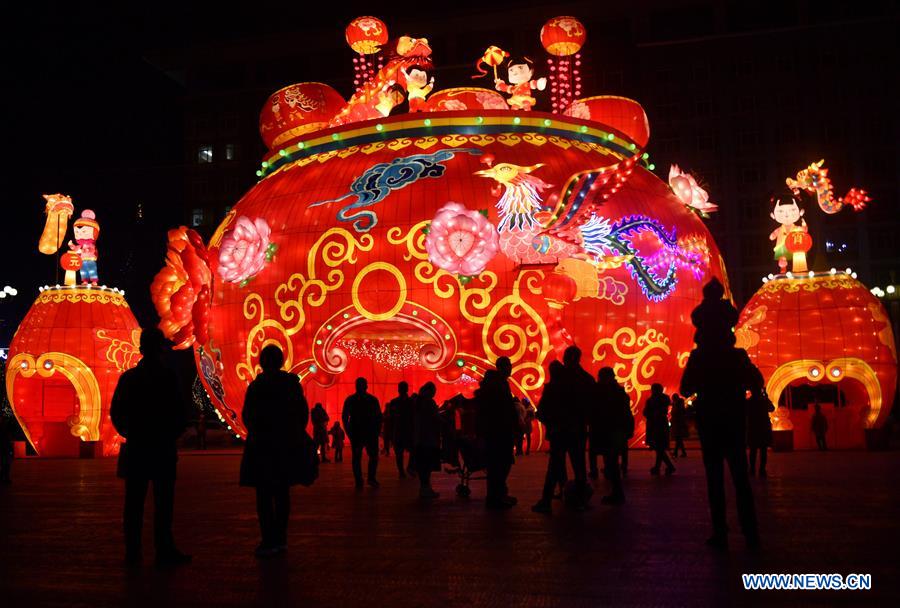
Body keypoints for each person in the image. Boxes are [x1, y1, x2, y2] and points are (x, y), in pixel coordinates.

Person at [681, 279, 763, 550]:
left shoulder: (699, 357)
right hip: (734, 419)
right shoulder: (737, 356)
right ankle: (750, 531)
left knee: (714, 477)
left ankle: (721, 531)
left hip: (709, 419)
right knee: (740, 476)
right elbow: (756, 381)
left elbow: (685, 388)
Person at [110, 327, 192, 567]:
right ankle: (164, 549)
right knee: (163, 503)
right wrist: (169, 435)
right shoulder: (168, 377)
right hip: (161, 448)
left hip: (137, 448)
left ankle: (133, 552)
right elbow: (179, 411)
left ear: (141, 349)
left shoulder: (129, 378)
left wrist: (131, 433)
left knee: (133, 504)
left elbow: (117, 412)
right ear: (160, 349)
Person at [239, 345, 310, 558]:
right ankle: (280, 538)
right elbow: (302, 413)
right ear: (281, 361)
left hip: (262, 447)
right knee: (282, 493)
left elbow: (247, 416)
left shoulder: (257, 387)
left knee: (264, 495)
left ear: (262, 362)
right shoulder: (291, 385)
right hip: (285, 446)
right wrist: (293, 434)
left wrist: (259, 432)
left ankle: (268, 539)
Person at [476, 357, 519, 509]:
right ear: (503, 367)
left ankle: (496, 495)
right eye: (509, 366)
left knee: (496, 464)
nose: (511, 368)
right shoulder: (499, 385)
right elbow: (505, 408)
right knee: (501, 464)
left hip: (493, 430)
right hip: (500, 430)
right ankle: (497, 496)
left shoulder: (493, 384)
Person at [588, 367, 630, 505]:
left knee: (610, 461)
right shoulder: (619, 392)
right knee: (611, 461)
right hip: (616, 430)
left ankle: (617, 493)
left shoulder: (602, 392)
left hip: (606, 430)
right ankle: (616, 492)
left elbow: (595, 411)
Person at [532, 361, 569, 513]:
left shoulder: (552, 389)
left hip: (556, 431)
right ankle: (568, 492)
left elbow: (541, 411)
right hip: (571, 431)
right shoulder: (569, 388)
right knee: (563, 463)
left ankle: (546, 499)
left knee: (555, 464)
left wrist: (550, 422)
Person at [342, 377, 383, 489]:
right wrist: (377, 430)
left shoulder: (350, 400)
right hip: (370, 432)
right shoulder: (372, 399)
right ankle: (371, 478)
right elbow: (379, 417)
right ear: (366, 386)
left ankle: (359, 480)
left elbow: (345, 417)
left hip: (357, 432)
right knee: (373, 456)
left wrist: (348, 431)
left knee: (357, 457)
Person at [413, 382, 442, 500]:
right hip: (429, 437)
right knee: (427, 464)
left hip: (420, 438)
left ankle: (424, 488)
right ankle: (426, 488)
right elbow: (435, 418)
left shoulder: (418, 402)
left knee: (422, 464)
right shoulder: (429, 403)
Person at [644, 384, 675, 476]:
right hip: (662, 424)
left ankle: (668, 466)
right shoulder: (665, 399)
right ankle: (658, 467)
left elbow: (646, 412)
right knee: (660, 447)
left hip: (654, 425)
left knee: (659, 448)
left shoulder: (651, 400)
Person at [387, 382, 416, 478]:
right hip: (408, 431)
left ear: (398, 389)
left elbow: (390, 419)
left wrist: (390, 434)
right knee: (412, 451)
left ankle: (402, 472)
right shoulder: (412, 402)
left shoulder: (394, 402)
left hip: (398, 431)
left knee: (399, 454)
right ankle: (409, 468)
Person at [747, 390, 774, 476]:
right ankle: (762, 470)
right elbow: (772, 408)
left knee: (753, 450)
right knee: (763, 450)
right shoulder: (764, 400)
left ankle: (752, 469)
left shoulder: (749, 401)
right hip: (763, 428)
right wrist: (766, 398)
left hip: (753, 427)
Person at [670, 394, 688, 458]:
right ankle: (678, 452)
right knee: (679, 439)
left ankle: (677, 453)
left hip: (678, 424)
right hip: (678, 423)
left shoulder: (677, 405)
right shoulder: (678, 405)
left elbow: (675, 413)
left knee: (678, 438)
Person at [0, 414, 14, 484]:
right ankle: (5, 478)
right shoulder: (5, 430)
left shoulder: (4, 429)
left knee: (5, 464)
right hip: (5, 448)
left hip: (5, 448)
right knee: (5, 464)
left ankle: (4, 478)